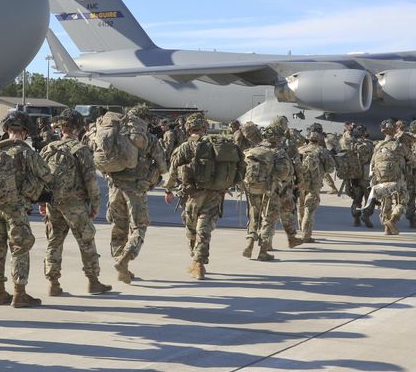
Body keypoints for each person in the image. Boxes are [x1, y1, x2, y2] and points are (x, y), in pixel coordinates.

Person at [0, 110, 52, 308]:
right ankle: (19, 293)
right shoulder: (25, 152)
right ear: (25, 132)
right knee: (20, 249)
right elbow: (47, 175)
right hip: (16, 209)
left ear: (6, 130)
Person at [40, 109, 112, 295]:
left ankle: (53, 283)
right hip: (75, 204)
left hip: (53, 202)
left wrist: (41, 201)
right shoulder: (81, 150)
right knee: (86, 240)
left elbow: (40, 177)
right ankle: (93, 281)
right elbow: (91, 182)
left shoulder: (48, 148)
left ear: (61, 127)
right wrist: (95, 205)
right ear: (79, 128)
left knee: (54, 241)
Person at [164, 113, 244, 278]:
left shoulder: (185, 147)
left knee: (192, 229)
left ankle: (197, 262)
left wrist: (168, 189)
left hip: (192, 195)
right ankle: (198, 262)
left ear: (188, 129)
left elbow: (173, 172)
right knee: (204, 228)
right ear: (204, 128)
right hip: (215, 193)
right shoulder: (217, 145)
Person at [106, 105, 167, 284]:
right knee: (139, 227)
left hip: (114, 187)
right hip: (136, 189)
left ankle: (121, 264)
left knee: (119, 226)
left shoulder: (117, 135)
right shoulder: (149, 139)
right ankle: (124, 260)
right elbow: (163, 166)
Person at [241, 125, 291, 260]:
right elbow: (284, 172)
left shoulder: (254, 149)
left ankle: (249, 243)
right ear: (278, 137)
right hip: (270, 190)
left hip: (252, 188)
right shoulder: (279, 152)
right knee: (269, 218)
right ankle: (263, 251)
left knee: (253, 216)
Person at [267, 116, 304, 249]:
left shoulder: (264, 140)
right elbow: (297, 163)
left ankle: (268, 243)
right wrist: (300, 180)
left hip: (268, 183)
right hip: (285, 183)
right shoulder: (288, 143)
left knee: (269, 212)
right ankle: (291, 238)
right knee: (287, 210)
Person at [368, 119, 408, 235]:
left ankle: (386, 229)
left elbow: (373, 163)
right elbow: (411, 158)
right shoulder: (399, 145)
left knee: (386, 202)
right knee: (402, 202)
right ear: (395, 130)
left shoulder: (377, 146)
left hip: (381, 178)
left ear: (383, 131)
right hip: (397, 178)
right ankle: (392, 221)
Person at [297, 131, 335, 243]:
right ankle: (306, 235)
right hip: (314, 184)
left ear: (308, 139)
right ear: (318, 140)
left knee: (300, 207)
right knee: (309, 209)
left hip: (301, 183)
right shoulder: (322, 151)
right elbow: (330, 169)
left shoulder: (300, 150)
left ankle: (302, 229)